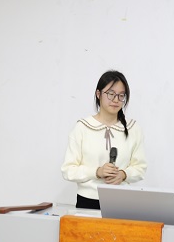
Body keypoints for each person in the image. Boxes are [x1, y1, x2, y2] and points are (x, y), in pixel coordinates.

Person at [61, 70, 147, 209]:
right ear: (98, 94)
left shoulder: (133, 128)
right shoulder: (82, 127)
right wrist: (97, 172)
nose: (116, 100)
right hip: (88, 201)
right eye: (111, 94)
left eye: (121, 95)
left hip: (122, 201)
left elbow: (140, 168)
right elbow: (68, 170)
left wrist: (123, 174)